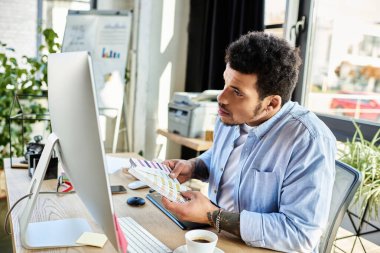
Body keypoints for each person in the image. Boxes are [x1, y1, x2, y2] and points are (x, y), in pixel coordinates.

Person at [162, 31, 336, 253]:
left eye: (237, 92)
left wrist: (213, 215)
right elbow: (223, 157)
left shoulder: (309, 141)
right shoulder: (229, 115)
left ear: (271, 104)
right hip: (218, 237)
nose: (222, 98)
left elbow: (300, 235)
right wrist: (195, 166)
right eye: (225, 82)